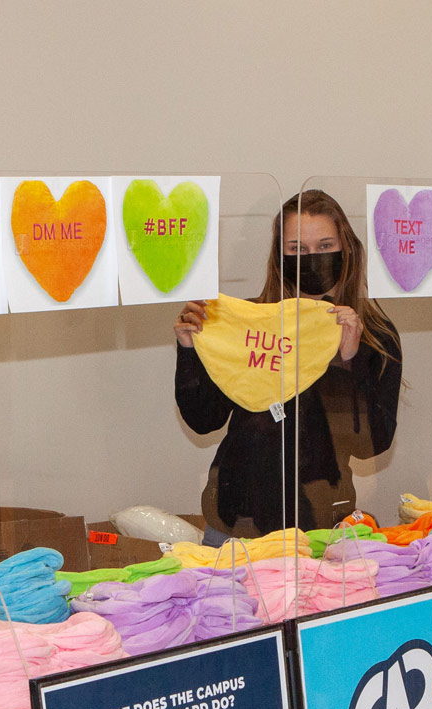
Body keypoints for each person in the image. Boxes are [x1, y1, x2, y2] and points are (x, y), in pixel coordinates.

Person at [173, 190, 404, 539]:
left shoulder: (374, 336)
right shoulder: (252, 325)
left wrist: (349, 360)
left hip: (323, 530)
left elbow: (371, 444)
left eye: (326, 246)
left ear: (348, 249)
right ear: (280, 257)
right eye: (297, 249)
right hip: (235, 526)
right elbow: (204, 419)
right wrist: (190, 350)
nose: (313, 259)